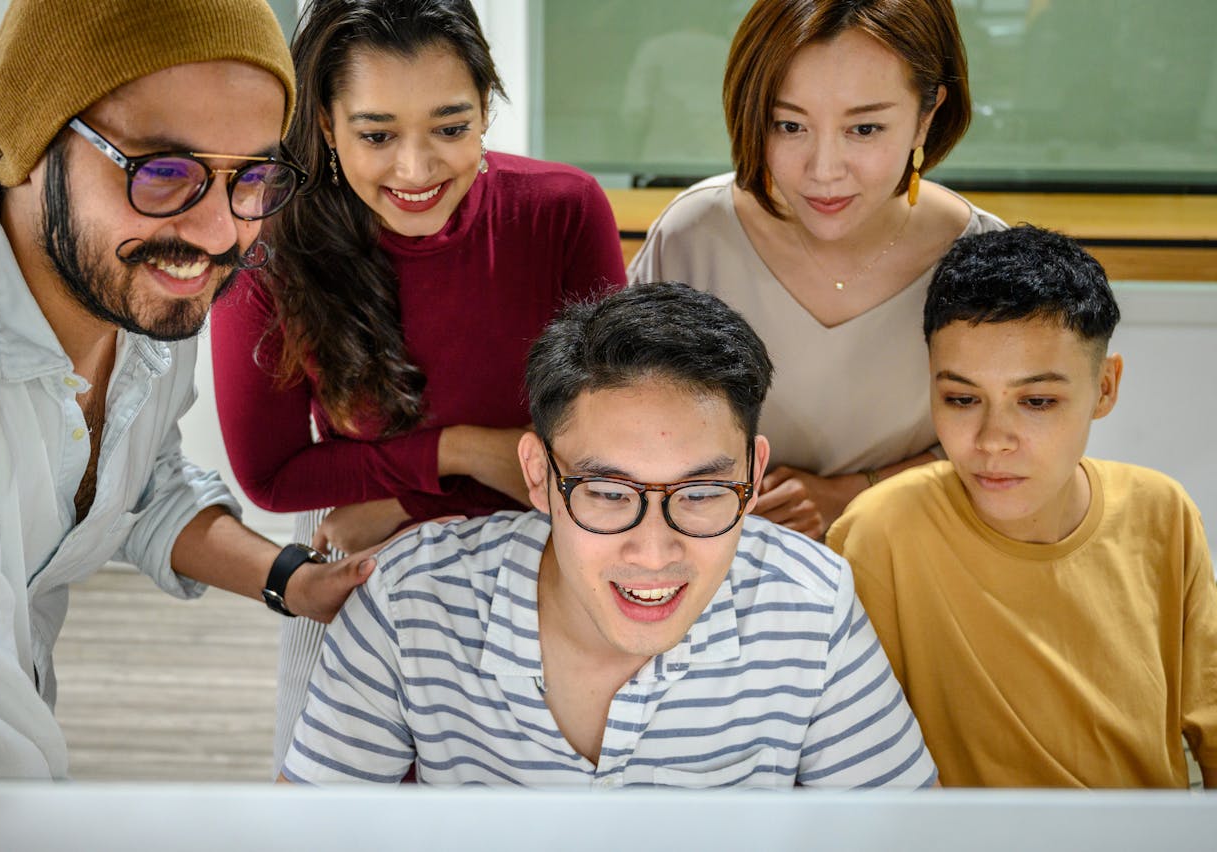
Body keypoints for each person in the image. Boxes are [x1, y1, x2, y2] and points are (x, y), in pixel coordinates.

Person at [0, 0, 373, 779]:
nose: (218, 233)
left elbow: (132, 484)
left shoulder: (132, 282)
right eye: (163, 172)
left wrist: (292, 581)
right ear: (34, 141)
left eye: (254, 176)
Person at [280, 282, 935, 788]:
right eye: (609, 494)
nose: (654, 553)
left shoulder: (810, 605)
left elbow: (906, 841)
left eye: (702, 493)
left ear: (754, 475)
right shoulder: (408, 602)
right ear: (538, 476)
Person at [209, 0, 626, 771]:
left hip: (540, 552)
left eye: (450, 126)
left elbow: (604, 443)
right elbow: (270, 479)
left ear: (485, 109)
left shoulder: (564, 212)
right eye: (376, 134)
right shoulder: (269, 247)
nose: (416, 169)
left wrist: (412, 499)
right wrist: (465, 454)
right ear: (326, 127)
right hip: (369, 557)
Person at [828, 226, 1217, 788]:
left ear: (1105, 388)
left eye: (1036, 402)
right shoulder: (882, 530)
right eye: (961, 399)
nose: (992, 440)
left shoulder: (1162, 512)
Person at [628, 0, 1006, 540]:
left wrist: (850, 494)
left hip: (915, 564)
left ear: (927, 116)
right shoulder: (693, 237)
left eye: (866, 129)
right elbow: (619, 421)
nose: (823, 171)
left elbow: (1010, 451)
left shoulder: (985, 257)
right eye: (789, 125)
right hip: (718, 573)